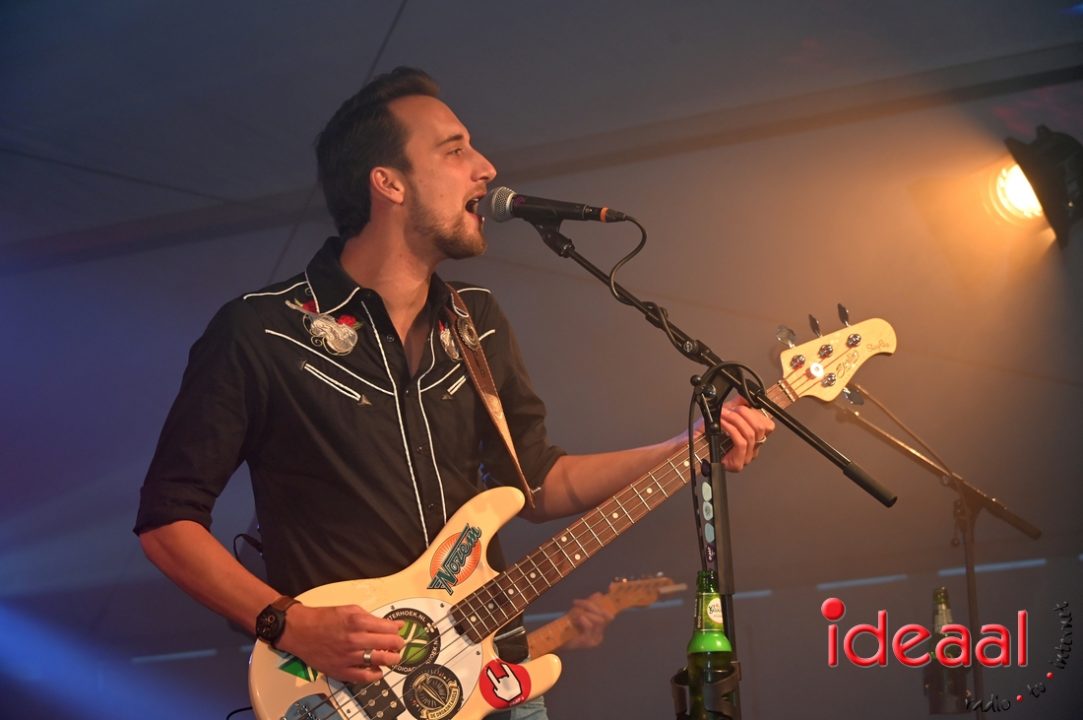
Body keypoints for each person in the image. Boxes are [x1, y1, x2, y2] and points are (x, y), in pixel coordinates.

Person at [134, 66, 774, 719]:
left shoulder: (477, 321)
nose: (486, 168)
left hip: (493, 681)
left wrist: (686, 446)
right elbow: (167, 520)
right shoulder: (263, 329)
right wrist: (287, 622)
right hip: (349, 692)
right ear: (388, 183)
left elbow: (537, 482)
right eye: (454, 149)